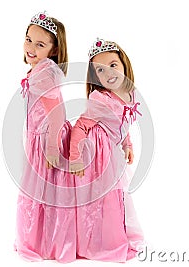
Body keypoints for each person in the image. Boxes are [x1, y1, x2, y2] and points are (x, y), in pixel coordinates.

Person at [69, 38, 145, 262]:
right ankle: (101, 241)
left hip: (112, 149)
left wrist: (127, 144)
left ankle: (113, 235)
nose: (109, 73)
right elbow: (81, 125)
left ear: (123, 64)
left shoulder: (130, 93)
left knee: (117, 195)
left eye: (113, 65)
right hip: (97, 153)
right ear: (95, 77)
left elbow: (123, 123)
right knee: (104, 198)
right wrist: (75, 158)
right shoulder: (100, 99)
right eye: (100, 70)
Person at [14, 11, 76, 263]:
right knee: (42, 190)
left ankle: (46, 241)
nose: (31, 48)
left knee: (44, 191)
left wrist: (51, 148)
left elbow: (57, 111)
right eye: (29, 40)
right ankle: (42, 239)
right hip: (37, 137)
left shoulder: (46, 71)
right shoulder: (38, 69)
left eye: (40, 44)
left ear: (53, 49)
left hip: (46, 139)